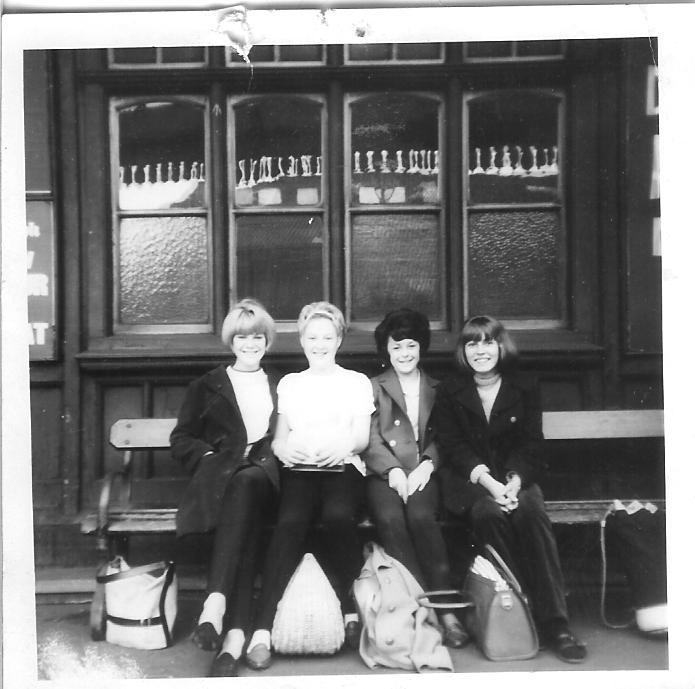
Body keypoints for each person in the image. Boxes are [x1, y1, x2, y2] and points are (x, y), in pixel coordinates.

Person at [433, 315, 587, 663]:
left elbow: (533, 443)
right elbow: (453, 446)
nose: (480, 350)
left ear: (501, 346)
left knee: (531, 512)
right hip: (471, 480)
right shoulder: (449, 390)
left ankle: (555, 624)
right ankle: (521, 609)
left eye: (488, 342)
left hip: (516, 478)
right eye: (472, 343)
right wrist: (488, 483)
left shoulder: (525, 385)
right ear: (464, 351)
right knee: (488, 514)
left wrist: (515, 482)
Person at [244, 301, 374, 671]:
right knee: (290, 524)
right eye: (312, 337)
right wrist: (285, 449)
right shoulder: (291, 383)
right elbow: (280, 437)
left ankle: (352, 610)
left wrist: (343, 446)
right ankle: (262, 631)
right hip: (299, 470)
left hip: (342, 468)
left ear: (339, 340)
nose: (320, 344)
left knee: (336, 517)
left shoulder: (355, 382)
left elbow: (362, 437)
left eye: (327, 337)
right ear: (302, 340)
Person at [170, 299, 280, 677]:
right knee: (245, 523)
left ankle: (214, 603)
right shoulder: (208, 385)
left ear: (267, 341)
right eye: (242, 337)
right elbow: (182, 437)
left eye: (257, 337)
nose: (250, 344)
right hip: (224, 482)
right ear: (230, 341)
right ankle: (233, 642)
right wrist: (208, 457)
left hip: (268, 478)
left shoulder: (282, 383)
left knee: (248, 481)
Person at [363, 308, 468, 648]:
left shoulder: (439, 388)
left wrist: (427, 465)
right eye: (396, 348)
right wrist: (392, 471)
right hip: (385, 475)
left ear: (421, 347)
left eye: (410, 346)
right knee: (390, 520)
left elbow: (445, 435)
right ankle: (420, 608)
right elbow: (371, 437)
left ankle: (447, 609)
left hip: (423, 472)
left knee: (423, 518)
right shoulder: (373, 386)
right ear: (387, 351)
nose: (404, 354)